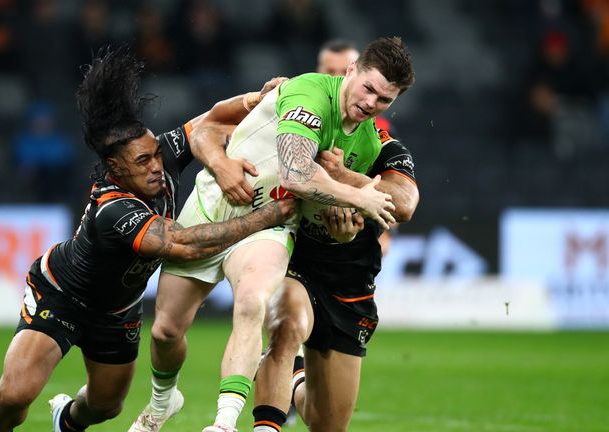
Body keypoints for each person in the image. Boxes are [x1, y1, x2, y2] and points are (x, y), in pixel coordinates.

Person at [0, 48, 296, 432]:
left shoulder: (157, 154)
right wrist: (270, 215)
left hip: (117, 311)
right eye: (143, 161)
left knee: (105, 406)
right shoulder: (113, 208)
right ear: (116, 167)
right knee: (15, 395)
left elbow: (212, 119)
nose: (156, 166)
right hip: (64, 297)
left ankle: (65, 421)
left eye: (155, 156)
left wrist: (258, 101)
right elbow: (184, 244)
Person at [130, 36, 412, 432]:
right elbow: (211, 128)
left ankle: (229, 422)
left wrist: (346, 210)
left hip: (291, 239)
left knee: (260, 318)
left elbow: (398, 205)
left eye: (383, 100)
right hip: (221, 214)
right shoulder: (299, 91)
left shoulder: (372, 144)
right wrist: (218, 162)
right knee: (166, 330)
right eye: (367, 88)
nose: (370, 103)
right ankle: (172, 403)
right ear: (348, 72)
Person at [251, 101, 419, 431]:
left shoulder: (381, 143)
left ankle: (296, 380)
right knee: (286, 328)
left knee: (323, 421)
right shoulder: (300, 129)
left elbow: (403, 204)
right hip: (296, 261)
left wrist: (345, 180)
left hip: (348, 281)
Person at [316, 39, 397, 256]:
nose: (337, 78)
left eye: (343, 71)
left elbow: (390, 192)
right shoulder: (302, 111)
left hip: (351, 223)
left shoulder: (379, 132)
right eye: (329, 70)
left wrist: (380, 230)